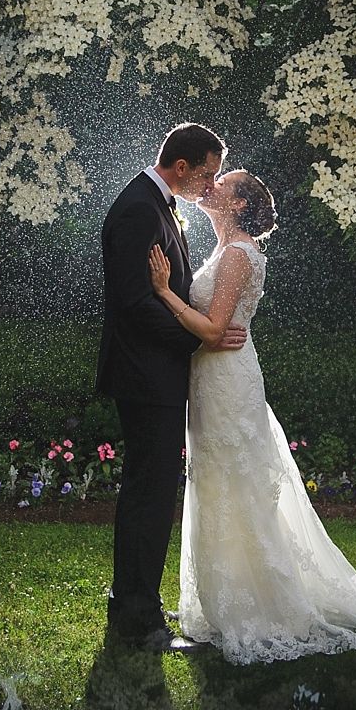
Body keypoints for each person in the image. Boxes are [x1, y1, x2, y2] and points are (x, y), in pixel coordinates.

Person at [148, 169, 356, 665]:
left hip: (226, 379)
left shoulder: (238, 255)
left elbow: (216, 329)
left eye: (223, 184)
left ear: (239, 206)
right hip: (214, 377)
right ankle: (220, 603)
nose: (210, 186)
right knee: (217, 485)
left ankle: (254, 609)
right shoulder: (225, 251)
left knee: (233, 486)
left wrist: (163, 291)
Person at [95, 123, 247, 651]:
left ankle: (134, 608)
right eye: (205, 173)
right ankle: (136, 616)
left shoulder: (159, 206)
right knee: (149, 496)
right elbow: (135, 303)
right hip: (145, 375)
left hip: (155, 375)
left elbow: (163, 294)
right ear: (180, 167)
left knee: (153, 493)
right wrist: (197, 342)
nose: (209, 185)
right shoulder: (140, 208)